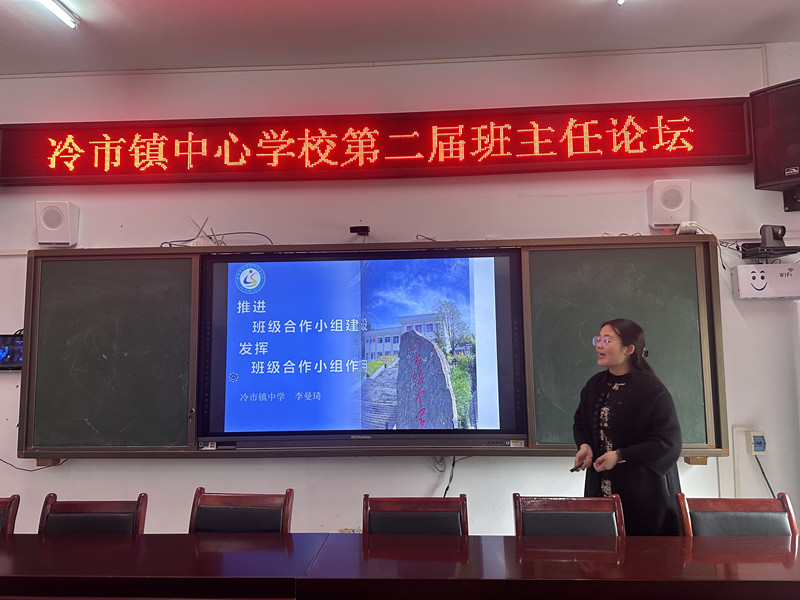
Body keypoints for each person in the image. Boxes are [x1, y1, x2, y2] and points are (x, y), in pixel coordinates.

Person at [572, 318, 682, 536]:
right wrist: (585, 446)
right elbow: (581, 423)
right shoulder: (594, 385)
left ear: (629, 349)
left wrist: (621, 455)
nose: (599, 345)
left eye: (607, 340)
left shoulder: (651, 389)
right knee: (602, 550)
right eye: (598, 339)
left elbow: (668, 443)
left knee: (641, 554)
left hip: (645, 497)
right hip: (600, 491)